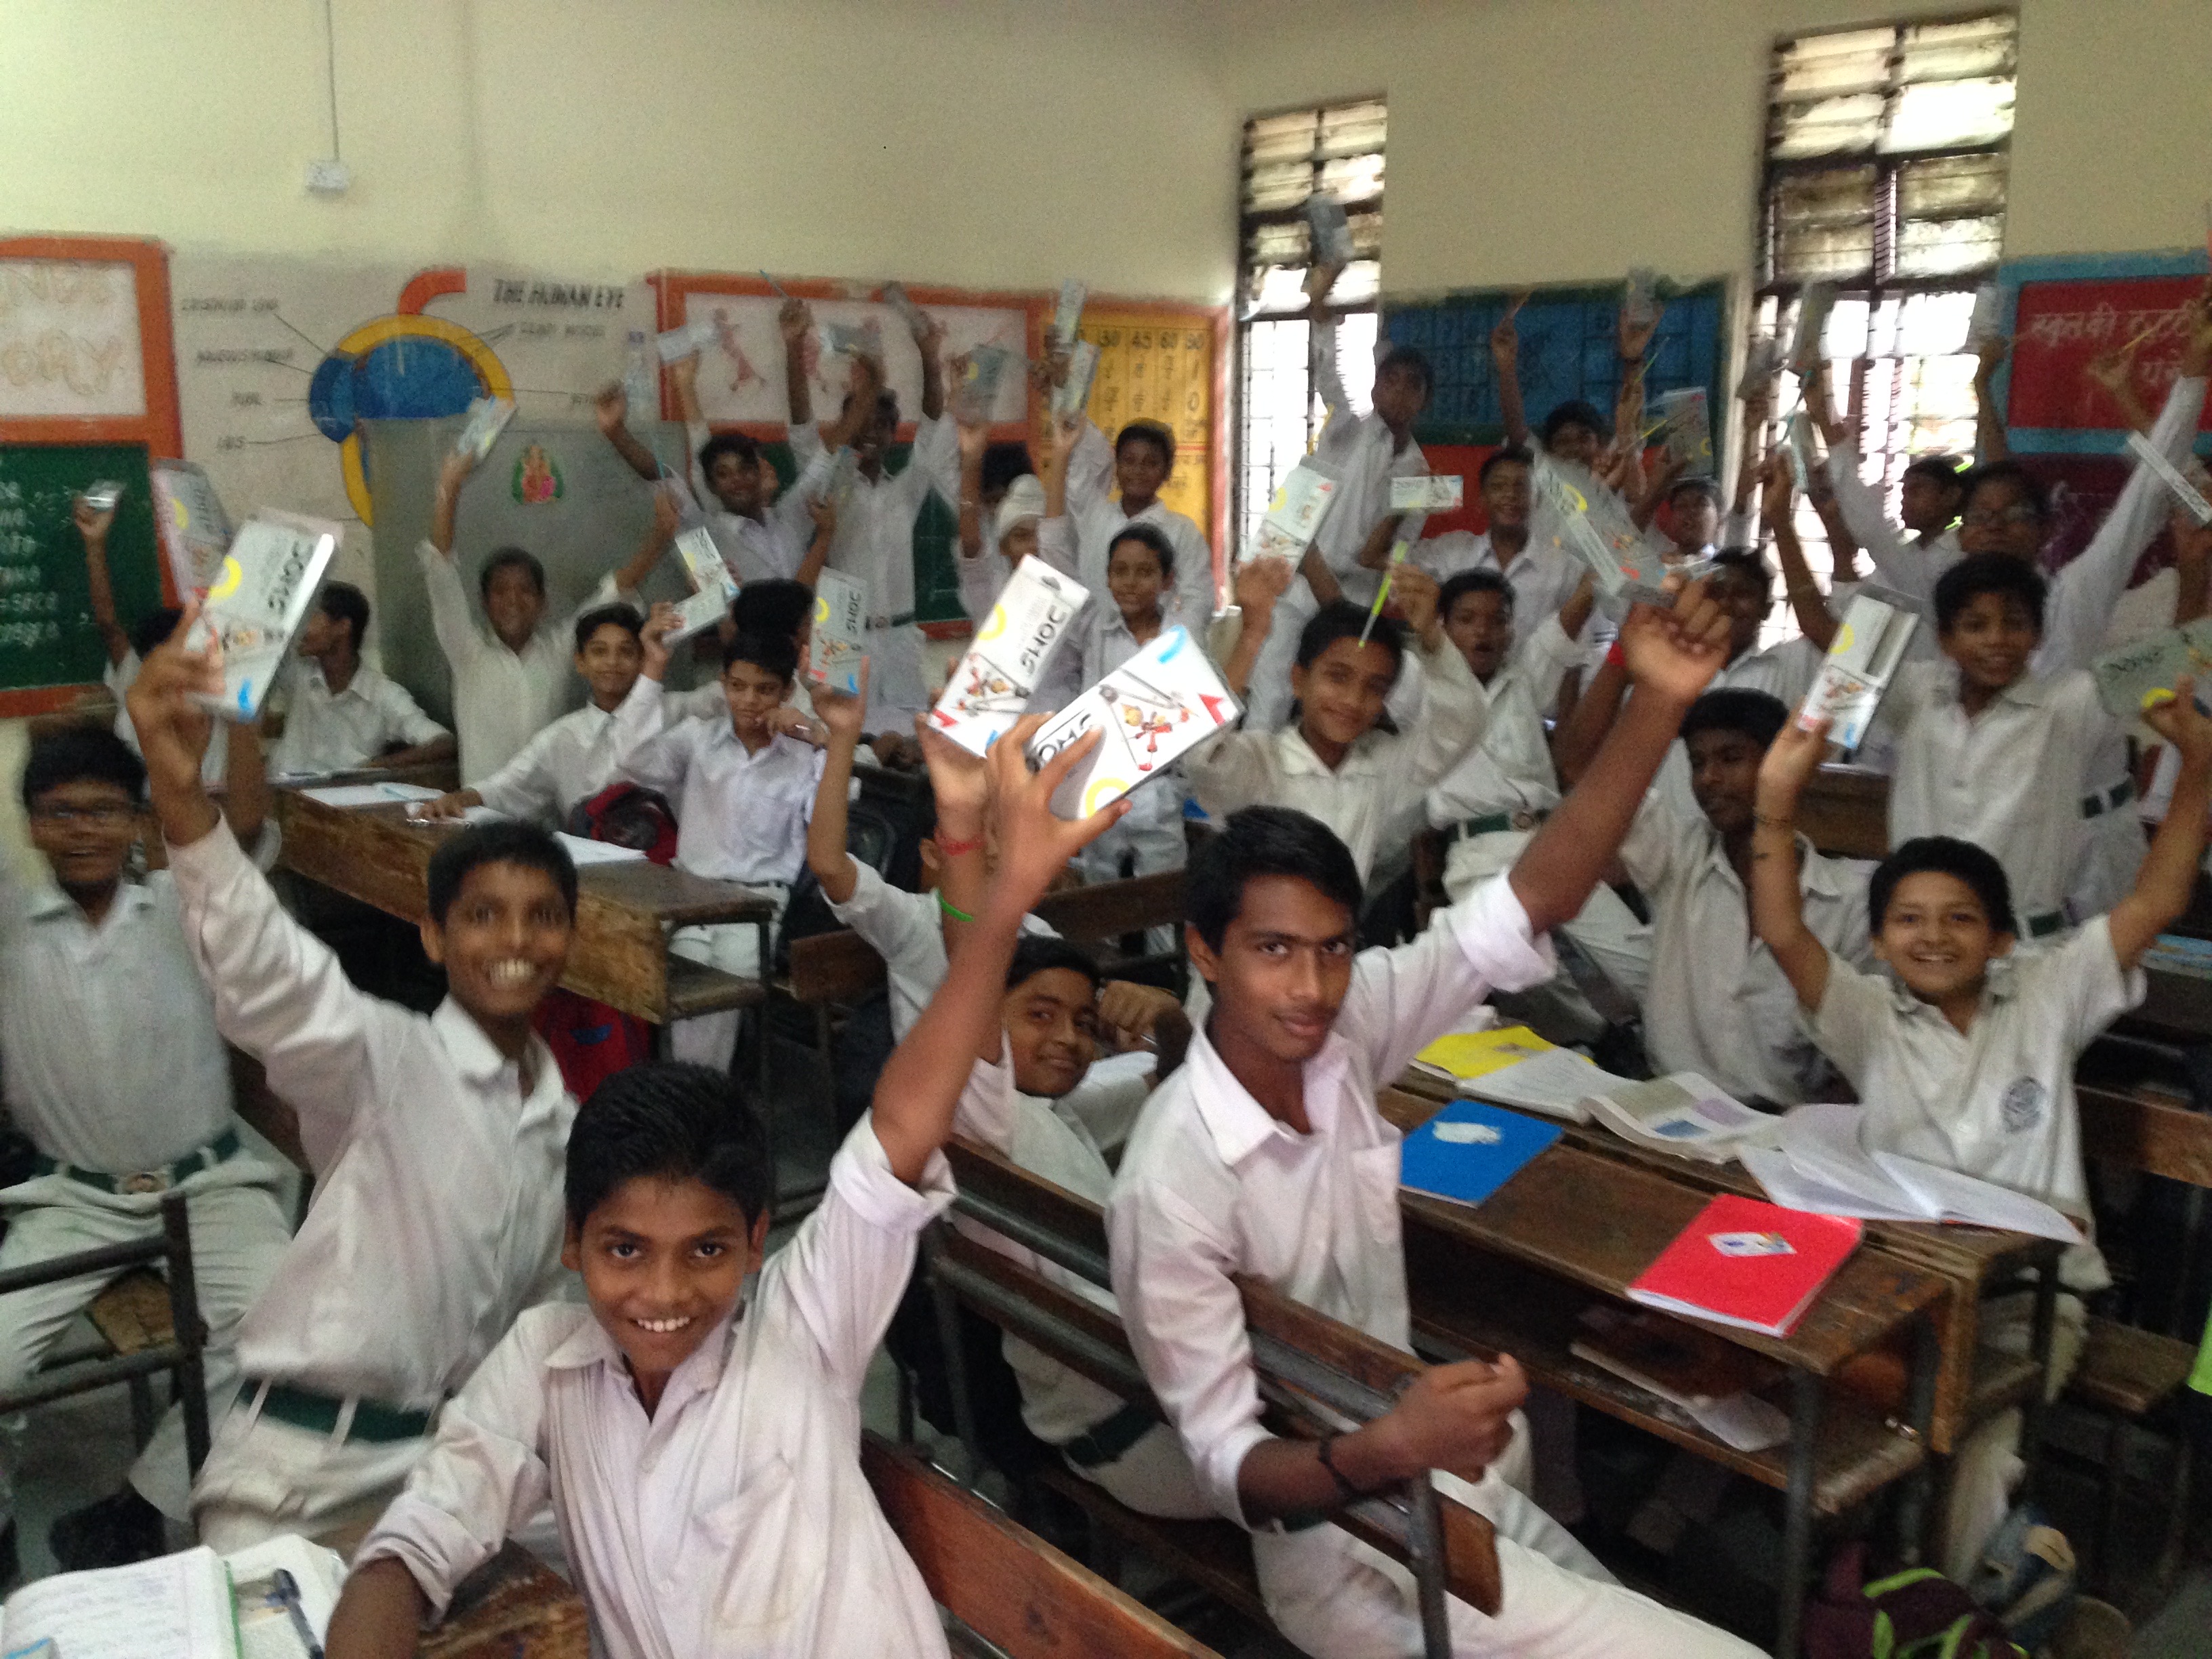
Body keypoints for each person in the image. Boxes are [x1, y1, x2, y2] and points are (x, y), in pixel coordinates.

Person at [323, 712, 1129, 1659]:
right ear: (571, 1244)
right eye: (625, 1251)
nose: (664, 1296)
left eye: (706, 1251)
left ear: (756, 1242)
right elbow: (415, 1540)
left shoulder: (804, 1327)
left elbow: (908, 1125)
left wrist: (992, 890)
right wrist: (384, 1583)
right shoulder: (546, 1363)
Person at [1108, 575, 1761, 1658]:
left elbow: (1528, 903)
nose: (1312, 988)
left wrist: (1657, 705)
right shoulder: (1173, 1182)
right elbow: (1234, 1473)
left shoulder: (1345, 1025)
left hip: (1442, 1490)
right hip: (1349, 1552)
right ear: (1206, 954)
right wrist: (1389, 1444)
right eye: (1273, 952)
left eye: (1331, 949)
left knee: (1646, 1618)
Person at [121, 604, 583, 1548]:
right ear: (433, 935)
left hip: (453, 1473)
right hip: (303, 1473)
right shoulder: (387, 1057)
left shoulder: (564, 1123)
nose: (515, 943)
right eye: (485, 917)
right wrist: (184, 806)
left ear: (570, 942)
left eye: (541, 918)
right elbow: (271, 978)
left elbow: (541, 1316)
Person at [1749, 678, 2212, 1579]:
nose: (1934, 937)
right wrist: (1776, 802)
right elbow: (1781, 926)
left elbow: (2155, 901)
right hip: (1896, 1287)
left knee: (1969, 1432)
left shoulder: (2046, 995)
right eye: (1909, 921)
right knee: (1809, 1392)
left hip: (2029, 1301)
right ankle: (1858, 1583)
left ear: (2002, 939)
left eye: (1961, 919)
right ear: (1878, 941)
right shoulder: (1866, 1016)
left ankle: (1954, 1610)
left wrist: (2197, 765)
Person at [0, 725, 291, 1570]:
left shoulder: (182, 908)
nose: (84, 829)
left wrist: (237, 711)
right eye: (60, 813)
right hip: (69, 1201)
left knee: (286, 1332)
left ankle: (139, 1504)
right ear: (29, 824)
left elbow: (238, 827)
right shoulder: (14, 928)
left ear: (138, 822)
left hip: (207, 1186)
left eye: (105, 811)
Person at [1609, 688, 1869, 1104]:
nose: (1708, 778)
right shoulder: (1678, 853)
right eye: (1697, 763)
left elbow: (1865, 1056)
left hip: (1780, 1121)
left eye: (1731, 759)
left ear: (1782, 767)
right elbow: (1583, 762)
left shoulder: (1847, 900)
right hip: (1667, 1101)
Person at [1420, 570, 1651, 1002]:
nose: (1483, 631)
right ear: (1443, 627)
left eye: (1497, 620)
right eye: (1467, 619)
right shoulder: (1421, 690)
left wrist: (1609, 563)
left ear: (1511, 631)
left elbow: (1573, 610)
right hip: (1478, 857)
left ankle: (1642, 1042)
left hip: (1551, 844)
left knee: (1637, 963)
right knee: (1525, 982)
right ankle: (1595, 1040)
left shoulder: (1524, 677)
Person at [612, 605, 825, 1067]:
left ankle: (694, 1102)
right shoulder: (698, 739)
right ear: (724, 684)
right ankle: (689, 1094)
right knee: (668, 985)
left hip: (757, 906)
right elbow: (630, 757)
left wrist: (818, 734)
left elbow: (837, 803)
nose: (749, 701)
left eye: (766, 690)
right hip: (689, 899)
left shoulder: (804, 752)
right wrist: (652, 667)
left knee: (715, 991)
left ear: (788, 692)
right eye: (738, 686)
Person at [1198, 560, 1486, 884]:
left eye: (1375, 687)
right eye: (1338, 677)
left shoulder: (1380, 767)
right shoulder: (1263, 762)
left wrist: (1433, 635)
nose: (1352, 700)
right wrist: (1252, 634)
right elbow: (1202, 757)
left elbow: (1461, 725)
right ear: (1298, 680)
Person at [1242, 258, 1432, 731]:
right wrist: (1320, 306)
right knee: (1270, 689)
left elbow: (1388, 558)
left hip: (1354, 597)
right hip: (1302, 575)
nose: (1400, 393)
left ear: (1425, 400)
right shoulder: (1348, 429)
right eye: (1392, 381)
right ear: (1376, 385)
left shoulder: (1421, 474)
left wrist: (1399, 513)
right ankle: (1244, 799)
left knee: (1337, 703)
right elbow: (1330, 375)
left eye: (1413, 387)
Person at [1882, 554, 2110, 941]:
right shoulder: (1920, 693)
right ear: (1945, 639)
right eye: (1975, 626)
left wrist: (2193, 575)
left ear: (2038, 634)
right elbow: (1835, 643)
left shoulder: (2068, 702)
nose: (1996, 640)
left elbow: (2168, 664)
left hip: (2023, 945)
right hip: (1921, 944)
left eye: (2015, 624)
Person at [420, 443, 669, 783]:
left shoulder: (560, 647)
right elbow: (441, 573)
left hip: (547, 816)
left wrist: (661, 535)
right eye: (500, 591)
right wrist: (449, 489)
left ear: (543, 602)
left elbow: (616, 590)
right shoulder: (466, 651)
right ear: (483, 602)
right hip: (482, 812)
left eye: (525, 591)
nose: (513, 601)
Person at [783, 297, 957, 730]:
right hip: (839, 630)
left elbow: (934, 426)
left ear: (894, 432)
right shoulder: (826, 485)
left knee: (907, 741)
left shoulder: (906, 492)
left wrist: (928, 357)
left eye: (883, 424)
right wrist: (792, 350)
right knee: (838, 744)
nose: (872, 432)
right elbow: (803, 427)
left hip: (900, 635)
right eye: (862, 421)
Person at [596, 354, 835, 589]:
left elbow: (823, 461)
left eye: (747, 470)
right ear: (712, 486)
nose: (737, 481)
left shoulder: (789, 519)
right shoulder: (707, 532)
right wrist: (616, 433)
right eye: (723, 475)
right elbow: (663, 477)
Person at [418, 601, 647, 826]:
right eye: (600, 652)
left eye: (626, 651)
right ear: (580, 662)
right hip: (591, 857)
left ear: (643, 660)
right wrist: (456, 799)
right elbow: (506, 787)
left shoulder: (676, 712)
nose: (612, 662)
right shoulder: (561, 736)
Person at [75, 495, 227, 786]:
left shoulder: (217, 684)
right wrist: (94, 545)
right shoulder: (137, 676)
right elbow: (108, 622)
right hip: (146, 810)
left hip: (210, 805)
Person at [268, 581, 454, 777]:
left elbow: (445, 744)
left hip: (340, 800)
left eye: (312, 616)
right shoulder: (297, 671)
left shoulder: (383, 694)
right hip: (284, 795)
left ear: (343, 627)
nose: (301, 626)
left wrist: (376, 766)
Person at [1401, 447, 1587, 636]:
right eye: (1498, 486)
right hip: (1459, 665)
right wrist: (1411, 499)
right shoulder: (1452, 550)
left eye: (1521, 486)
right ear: (1482, 499)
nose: (1510, 495)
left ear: (1536, 499)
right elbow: (1377, 556)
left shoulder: (1563, 566)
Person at [1063, 413, 1216, 628]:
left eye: (1151, 463)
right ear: (1117, 465)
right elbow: (1082, 442)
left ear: (1167, 471)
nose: (1138, 471)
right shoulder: (1094, 516)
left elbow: (1199, 601)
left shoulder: (1182, 532)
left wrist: (1161, 644)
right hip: (1091, 645)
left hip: (1151, 649)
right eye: (1129, 461)